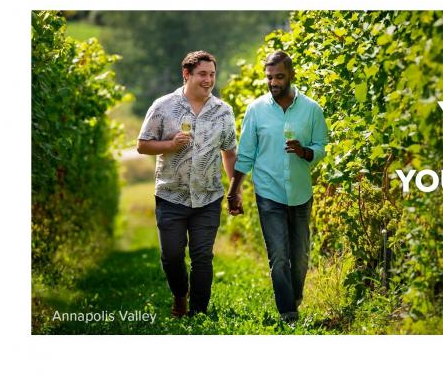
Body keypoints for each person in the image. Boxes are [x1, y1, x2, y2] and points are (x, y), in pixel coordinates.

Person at [137, 50, 239, 317]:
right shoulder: (163, 107)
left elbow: (229, 152)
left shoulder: (223, 111)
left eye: (212, 74)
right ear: (187, 74)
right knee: (171, 256)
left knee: (202, 257)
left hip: (208, 197)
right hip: (171, 196)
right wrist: (169, 145)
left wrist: (234, 189)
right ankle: (181, 295)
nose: (208, 80)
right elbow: (142, 145)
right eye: (202, 74)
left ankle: (198, 313)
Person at [228, 51, 328, 322]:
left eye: (279, 77)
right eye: (269, 77)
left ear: (292, 75)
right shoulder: (256, 110)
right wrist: (234, 188)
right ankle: (288, 313)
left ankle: (294, 297)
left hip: (300, 191)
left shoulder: (311, 110)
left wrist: (304, 152)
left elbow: (321, 147)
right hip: (268, 191)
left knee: (301, 255)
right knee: (279, 255)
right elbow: (246, 153)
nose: (273, 82)